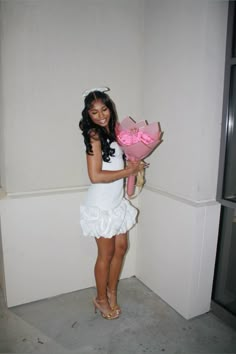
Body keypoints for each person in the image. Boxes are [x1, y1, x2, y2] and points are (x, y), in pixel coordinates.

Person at [79, 87, 145, 320]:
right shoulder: (94, 136)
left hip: (117, 201)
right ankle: (100, 299)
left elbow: (118, 164)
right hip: (101, 204)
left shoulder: (115, 132)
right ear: (88, 115)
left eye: (103, 109)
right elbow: (95, 176)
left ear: (110, 108)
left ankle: (112, 292)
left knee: (121, 248)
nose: (100, 115)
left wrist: (134, 164)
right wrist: (129, 169)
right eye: (94, 112)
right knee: (105, 255)